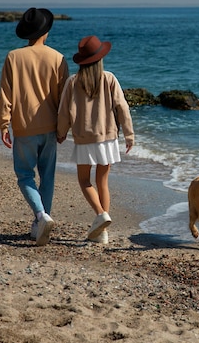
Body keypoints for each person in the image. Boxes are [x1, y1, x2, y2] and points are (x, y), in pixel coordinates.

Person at [0, 7, 69, 246]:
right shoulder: (58, 58)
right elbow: (63, 99)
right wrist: (63, 128)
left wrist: (4, 124)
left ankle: (41, 217)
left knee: (25, 175)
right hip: (50, 126)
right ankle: (41, 221)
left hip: (24, 126)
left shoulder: (13, 57)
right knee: (47, 176)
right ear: (46, 32)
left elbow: (6, 95)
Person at [57, 35, 134, 245]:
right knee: (103, 182)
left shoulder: (73, 81)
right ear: (100, 58)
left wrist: (61, 132)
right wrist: (129, 134)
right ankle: (103, 231)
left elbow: (64, 111)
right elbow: (122, 107)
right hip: (108, 138)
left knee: (84, 181)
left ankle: (101, 215)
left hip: (83, 138)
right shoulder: (109, 78)